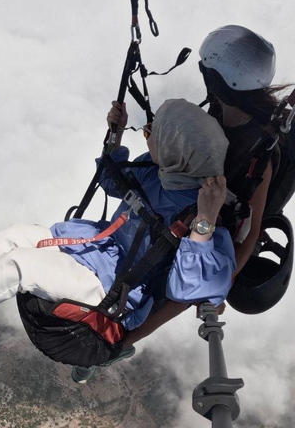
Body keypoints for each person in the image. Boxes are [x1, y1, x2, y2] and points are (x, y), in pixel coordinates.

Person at [0, 99, 236, 379]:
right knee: (13, 236)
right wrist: (115, 135)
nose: (148, 133)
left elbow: (191, 289)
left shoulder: (204, 211)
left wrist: (205, 219)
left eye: (157, 133)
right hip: (93, 249)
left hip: (114, 288)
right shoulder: (158, 171)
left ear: (177, 154)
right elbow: (110, 180)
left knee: (20, 264)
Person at [122, 25, 288, 345]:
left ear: (221, 80)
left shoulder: (260, 152)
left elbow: (249, 233)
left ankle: (124, 341)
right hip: (191, 199)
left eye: (208, 70)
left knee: (185, 286)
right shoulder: (221, 110)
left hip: (212, 224)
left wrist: (221, 282)